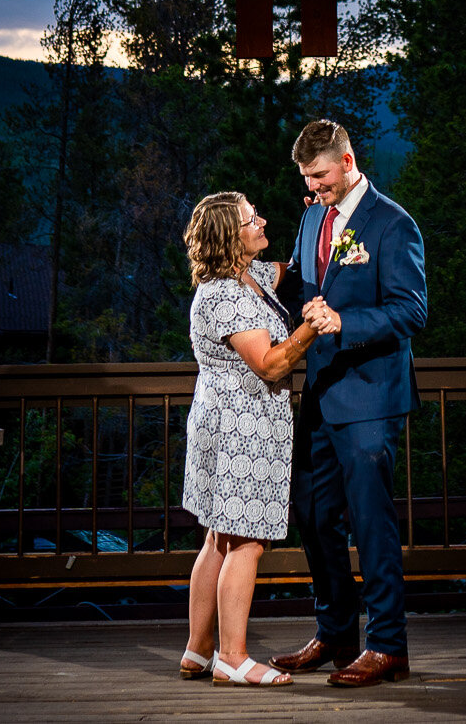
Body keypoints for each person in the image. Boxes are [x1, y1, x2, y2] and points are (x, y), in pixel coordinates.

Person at [268, 120, 428, 688]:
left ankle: (388, 644)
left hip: (370, 395)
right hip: (319, 393)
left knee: (371, 521)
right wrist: (258, 277)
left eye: (321, 176)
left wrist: (344, 321)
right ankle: (336, 632)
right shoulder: (313, 216)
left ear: (348, 159)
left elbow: (412, 311)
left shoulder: (393, 223)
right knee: (312, 516)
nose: (313, 189)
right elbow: (301, 287)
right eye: (307, 179)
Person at [177, 191, 338, 686]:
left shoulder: (253, 277)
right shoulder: (223, 293)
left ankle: (199, 650)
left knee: (219, 538)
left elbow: (291, 267)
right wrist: (313, 326)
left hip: (228, 423)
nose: (261, 219)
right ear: (231, 236)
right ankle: (234, 657)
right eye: (251, 219)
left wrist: (318, 213)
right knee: (245, 540)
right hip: (239, 430)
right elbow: (270, 362)